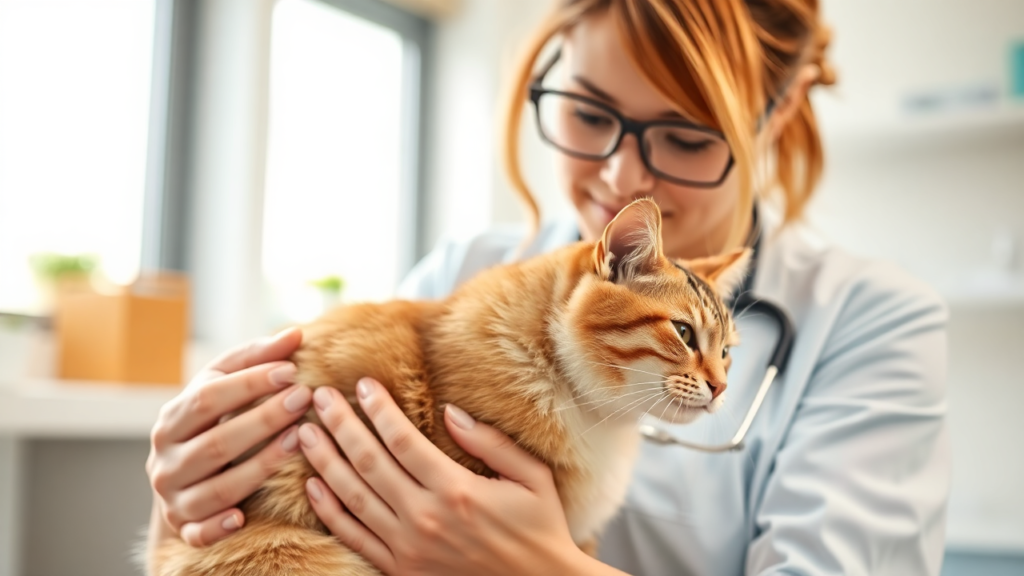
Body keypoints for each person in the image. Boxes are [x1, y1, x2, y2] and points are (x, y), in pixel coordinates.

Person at [144, 0, 951, 574]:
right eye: (589, 115)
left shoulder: (871, 322)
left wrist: (539, 570)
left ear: (768, 124)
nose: (619, 175)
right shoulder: (466, 274)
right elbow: (275, 508)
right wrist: (188, 488)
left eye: (682, 135)